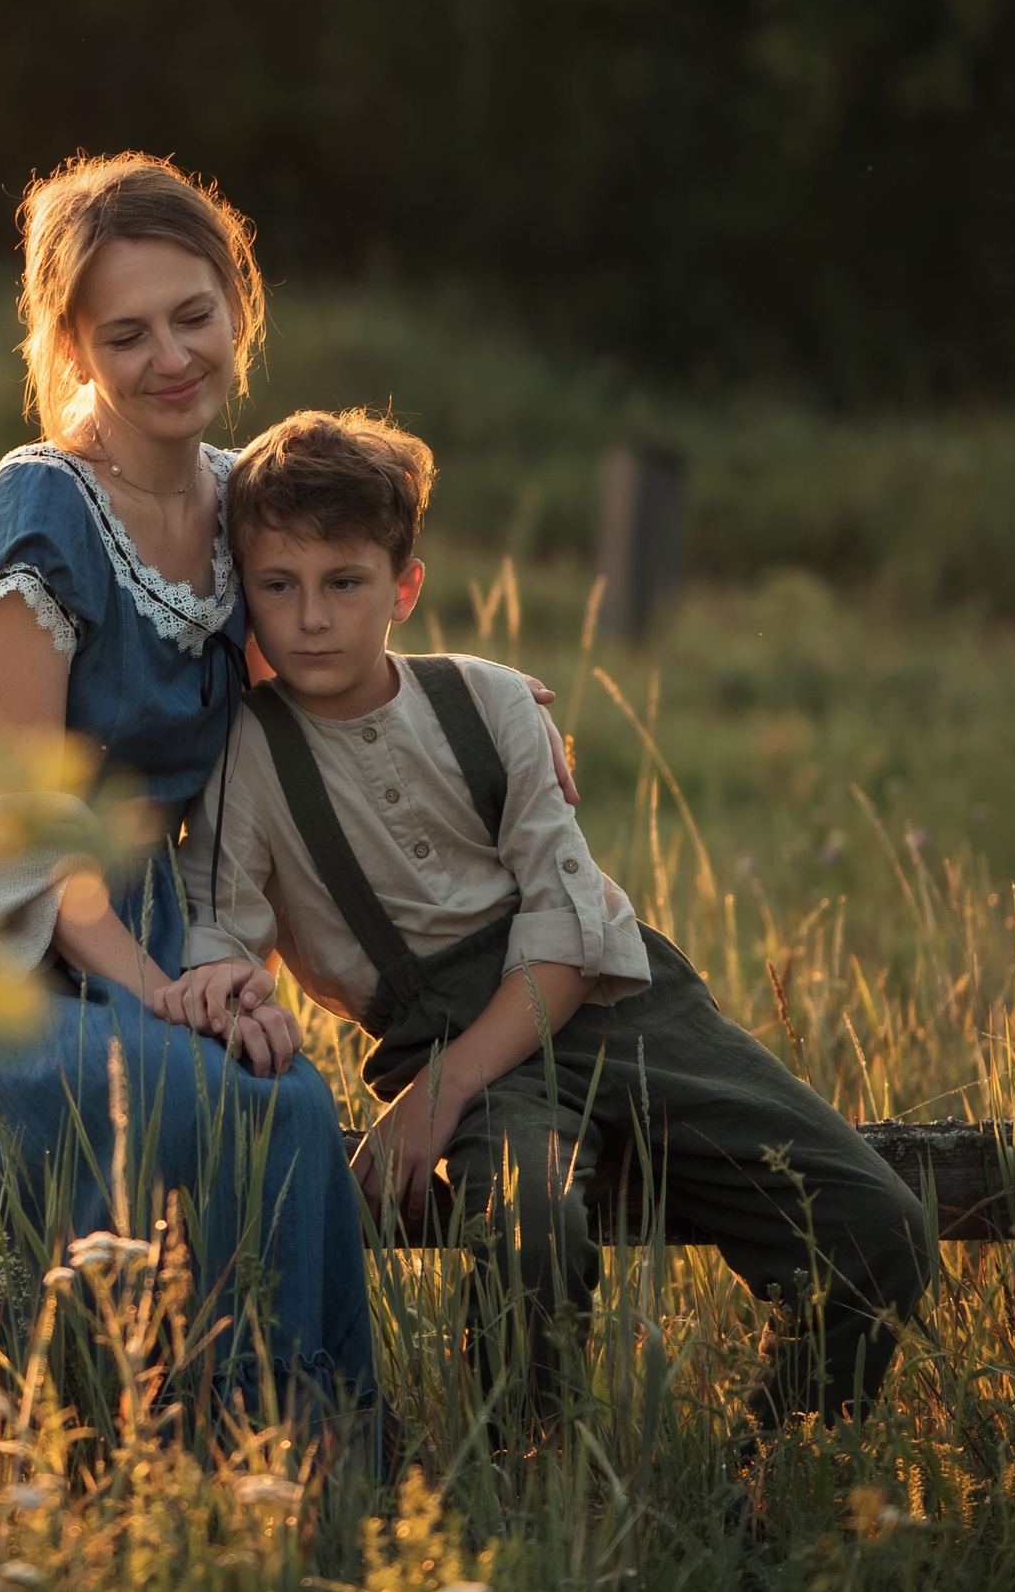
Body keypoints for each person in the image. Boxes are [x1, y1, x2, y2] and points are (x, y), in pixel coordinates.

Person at [165, 407, 928, 1432]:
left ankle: (768, 1474)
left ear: (403, 588)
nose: (310, 618)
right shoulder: (245, 755)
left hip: (624, 1010)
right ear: (243, 591)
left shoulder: (491, 704)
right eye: (277, 586)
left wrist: (432, 1101)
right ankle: (526, 1481)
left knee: (880, 1225)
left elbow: (570, 937)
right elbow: (219, 926)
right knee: (528, 1224)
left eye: (344, 583)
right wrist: (227, 986)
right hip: (451, 1041)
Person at [0, 152, 377, 1408]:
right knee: (228, 1101)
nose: (171, 358)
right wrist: (166, 991)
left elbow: (323, 679)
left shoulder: (243, 501)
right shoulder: (41, 512)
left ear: (238, 304)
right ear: (73, 346)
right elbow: (25, 835)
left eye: (194, 316)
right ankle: (174, 1434)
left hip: (158, 936)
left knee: (284, 1091)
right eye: (126, 335)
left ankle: (295, 1452)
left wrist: (490, 710)